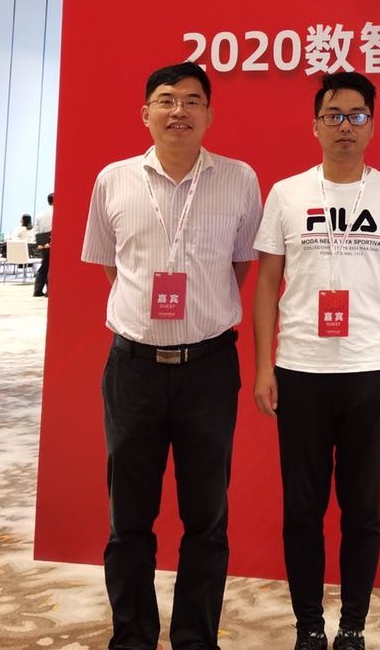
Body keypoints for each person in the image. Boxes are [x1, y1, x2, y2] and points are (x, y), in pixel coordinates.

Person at [82, 62, 263, 650]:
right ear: (146, 113)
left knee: (206, 519)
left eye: (191, 100)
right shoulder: (113, 180)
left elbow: (240, 265)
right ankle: (132, 637)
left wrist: (198, 315)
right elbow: (112, 268)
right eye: (166, 99)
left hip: (208, 369)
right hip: (132, 369)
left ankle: (194, 639)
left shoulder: (239, 179)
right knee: (128, 519)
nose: (178, 110)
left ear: (209, 114)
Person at [252, 71, 380, 650]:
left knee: (361, 508)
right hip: (300, 369)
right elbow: (267, 281)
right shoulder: (287, 194)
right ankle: (308, 626)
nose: (344, 126)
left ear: (372, 125)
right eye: (333, 115)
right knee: (302, 508)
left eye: (356, 116)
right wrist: (265, 365)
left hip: (368, 368)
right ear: (316, 125)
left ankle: (352, 626)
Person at [33, 192, 53, 298]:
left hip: (41, 241)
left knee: (44, 265)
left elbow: (36, 230)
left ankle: (37, 289)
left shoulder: (40, 214)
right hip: (51, 240)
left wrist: (39, 243)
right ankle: (49, 291)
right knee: (51, 266)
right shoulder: (57, 212)